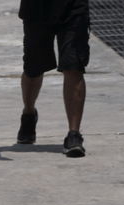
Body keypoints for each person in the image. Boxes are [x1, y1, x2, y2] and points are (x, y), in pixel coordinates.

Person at [17, 0, 89, 157]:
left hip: (73, 7)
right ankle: (29, 114)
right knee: (33, 68)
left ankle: (74, 134)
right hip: (36, 8)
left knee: (74, 65)